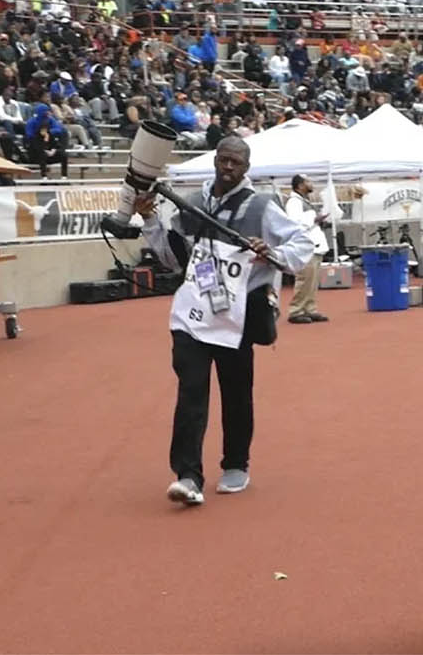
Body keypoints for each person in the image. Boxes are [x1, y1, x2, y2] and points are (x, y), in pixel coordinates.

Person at [134, 136, 314, 506]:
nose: (227, 167)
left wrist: (273, 253)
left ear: (246, 167)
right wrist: (151, 218)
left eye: (236, 162)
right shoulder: (192, 203)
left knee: (236, 393)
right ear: (215, 160)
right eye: (223, 160)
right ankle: (188, 475)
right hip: (194, 314)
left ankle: (236, 463)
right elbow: (172, 258)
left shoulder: (263, 206)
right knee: (191, 392)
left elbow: (302, 243)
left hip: (239, 315)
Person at [284, 174, 330, 324]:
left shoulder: (305, 201)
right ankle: (296, 310)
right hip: (304, 247)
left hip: (314, 246)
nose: (311, 184)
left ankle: (310, 308)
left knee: (313, 280)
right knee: (304, 279)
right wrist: (315, 219)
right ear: (300, 185)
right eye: (308, 181)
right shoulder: (294, 202)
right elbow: (294, 223)